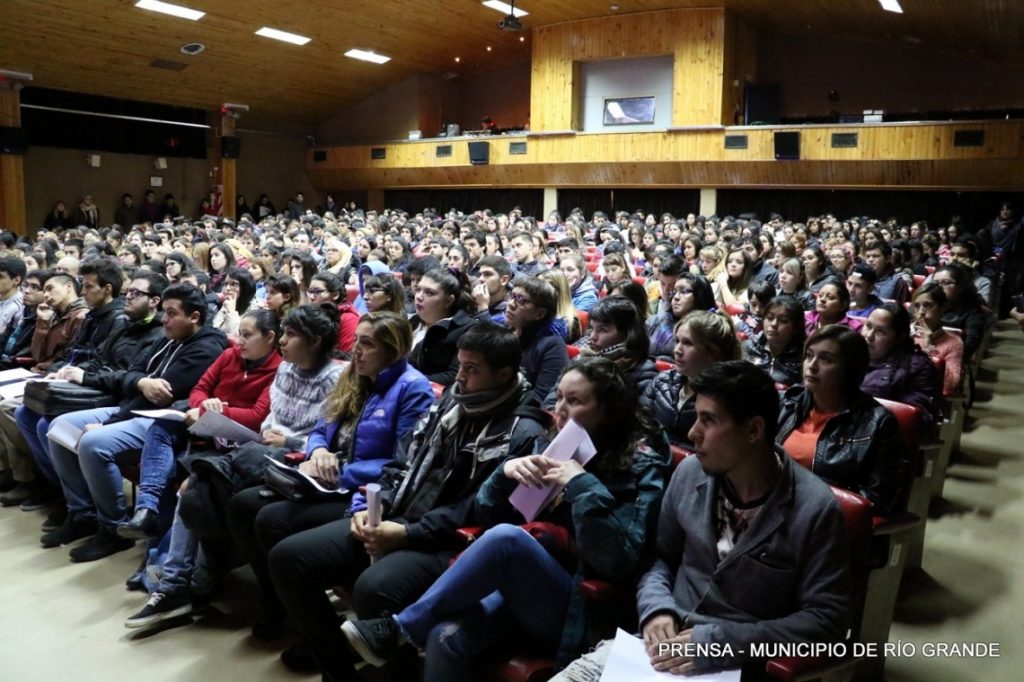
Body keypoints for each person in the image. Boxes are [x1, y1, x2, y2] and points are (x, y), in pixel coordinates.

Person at [342, 357, 671, 678]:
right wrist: (504, 474)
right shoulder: (553, 445)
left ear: (608, 411)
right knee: (444, 638)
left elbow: (618, 560)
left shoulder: (640, 466)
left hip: (582, 604)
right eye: (559, 397)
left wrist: (581, 484)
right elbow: (487, 515)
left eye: (575, 401)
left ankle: (400, 628)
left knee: (507, 539)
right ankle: (401, 629)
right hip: (519, 585)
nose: (559, 410)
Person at [266, 323, 550, 680]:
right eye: (460, 365)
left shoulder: (522, 432)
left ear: (504, 374)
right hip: (400, 513)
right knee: (288, 558)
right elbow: (402, 459)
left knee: (374, 588)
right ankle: (339, 670)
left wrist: (405, 533)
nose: (460, 377)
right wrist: (376, 505)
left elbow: (480, 510)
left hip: (450, 542)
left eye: (472, 369)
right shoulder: (452, 402)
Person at [219, 312, 435, 645]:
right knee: (242, 505)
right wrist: (318, 451)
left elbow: (403, 462)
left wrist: (339, 471)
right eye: (356, 341)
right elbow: (321, 429)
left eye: (367, 344)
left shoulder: (412, 388)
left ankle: (312, 623)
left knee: (271, 521)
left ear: (392, 350)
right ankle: (277, 598)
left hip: (359, 489)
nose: (356, 350)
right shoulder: (353, 375)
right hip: (325, 476)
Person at [124, 304, 343, 627]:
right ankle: (179, 581)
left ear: (313, 341)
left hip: (295, 460)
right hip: (259, 448)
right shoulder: (285, 369)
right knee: (193, 485)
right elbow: (269, 417)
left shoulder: (334, 379)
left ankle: (193, 582)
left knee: (204, 488)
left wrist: (288, 442)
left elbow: (327, 436)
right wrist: (266, 432)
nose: (283, 341)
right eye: (283, 333)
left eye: (291, 335)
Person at [632, 360, 851, 674]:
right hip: (659, 647)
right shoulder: (690, 472)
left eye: (708, 420)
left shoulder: (815, 508)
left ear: (753, 430)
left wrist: (724, 642)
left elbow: (826, 620)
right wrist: (656, 608)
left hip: (736, 663)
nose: (692, 433)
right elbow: (658, 556)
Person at [39, 284, 228, 562]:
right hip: (133, 408)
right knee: (58, 427)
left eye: (172, 313)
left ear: (194, 317)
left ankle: (113, 528)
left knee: (93, 443)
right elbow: (133, 373)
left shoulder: (207, 348)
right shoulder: (168, 337)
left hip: (161, 421)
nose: (164, 319)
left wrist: (112, 421)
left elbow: (159, 398)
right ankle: (83, 514)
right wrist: (140, 382)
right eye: (164, 312)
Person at [116, 308, 283, 542]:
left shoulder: (279, 370)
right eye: (239, 333)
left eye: (247, 335)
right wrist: (203, 405)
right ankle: (146, 509)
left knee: (172, 468)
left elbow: (256, 416)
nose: (240, 341)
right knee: (162, 427)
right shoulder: (230, 355)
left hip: (236, 438)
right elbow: (199, 389)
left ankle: (157, 542)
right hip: (204, 425)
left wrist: (213, 411)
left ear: (270, 337)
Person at [777, 325, 903, 515]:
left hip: (824, 519)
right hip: (773, 507)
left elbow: (877, 499)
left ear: (849, 368)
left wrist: (807, 503)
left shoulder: (878, 423)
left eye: (825, 359)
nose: (812, 365)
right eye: (809, 356)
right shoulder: (788, 402)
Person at [641, 310, 741, 450]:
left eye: (687, 343)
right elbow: (639, 426)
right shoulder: (661, 381)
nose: (677, 350)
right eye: (677, 341)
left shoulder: (729, 399)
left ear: (713, 352)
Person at [861, 303, 942, 432]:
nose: (869, 336)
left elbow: (917, 419)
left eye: (881, 331)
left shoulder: (917, 368)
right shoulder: (849, 354)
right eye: (868, 326)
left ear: (899, 337)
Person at [408, 268, 479, 386]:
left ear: (448, 301)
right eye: (418, 290)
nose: (419, 297)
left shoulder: (468, 329)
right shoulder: (412, 321)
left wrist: (407, 380)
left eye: (429, 293)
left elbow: (453, 376)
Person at [505, 277, 569, 402]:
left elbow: (541, 398)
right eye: (512, 296)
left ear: (539, 314)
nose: (511, 304)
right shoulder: (501, 332)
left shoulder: (552, 346)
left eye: (521, 300)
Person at [646, 273, 715, 360]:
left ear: (700, 295)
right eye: (674, 292)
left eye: (683, 291)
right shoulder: (657, 320)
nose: (676, 297)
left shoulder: (710, 329)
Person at [911, 283, 964, 397]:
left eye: (928, 305)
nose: (921, 312)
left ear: (942, 308)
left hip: (925, 395)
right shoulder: (903, 332)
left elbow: (950, 384)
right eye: (916, 306)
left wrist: (930, 348)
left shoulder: (954, 342)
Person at [743, 296, 806, 387]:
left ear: (796, 328)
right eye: (769, 318)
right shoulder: (748, 347)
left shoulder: (804, 358)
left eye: (783, 321)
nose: (774, 324)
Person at [932, 263, 986, 361]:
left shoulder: (973, 313)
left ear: (960, 287)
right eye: (935, 283)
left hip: (950, 360)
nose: (939, 287)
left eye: (946, 283)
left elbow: (969, 347)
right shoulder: (923, 305)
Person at [306, 271, 359, 353]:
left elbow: (347, 357)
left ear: (335, 295)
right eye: (310, 292)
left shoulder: (349, 319)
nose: (312, 297)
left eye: (318, 292)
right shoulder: (311, 316)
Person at [210, 267, 256, 337]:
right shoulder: (226, 304)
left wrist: (231, 312)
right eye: (225, 284)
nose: (227, 288)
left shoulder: (254, 311)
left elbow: (239, 338)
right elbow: (213, 329)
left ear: (245, 288)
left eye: (234, 284)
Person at [472, 255, 512, 324]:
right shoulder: (477, 297)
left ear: (504, 280)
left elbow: (498, 331)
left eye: (487, 274)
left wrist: (483, 309)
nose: (480, 279)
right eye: (480, 274)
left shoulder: (512, 309)